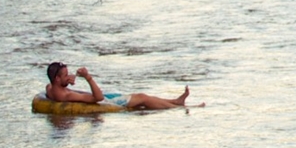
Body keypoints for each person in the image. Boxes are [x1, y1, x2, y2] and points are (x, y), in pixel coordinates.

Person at [44, 62, 199, 111]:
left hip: (99, 98)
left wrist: (67, 81)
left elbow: (48, 88)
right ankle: (177, 107)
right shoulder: (67, 95)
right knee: (142, 98)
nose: (69, 76)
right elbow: (98, 98)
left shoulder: (50, 88)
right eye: (66, 75)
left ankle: (174, 100)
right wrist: (87, 77)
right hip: (103, 103)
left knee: (138, 95)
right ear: (57, 79)